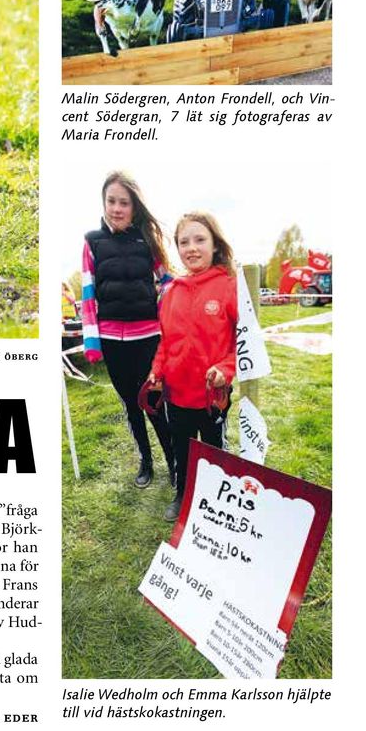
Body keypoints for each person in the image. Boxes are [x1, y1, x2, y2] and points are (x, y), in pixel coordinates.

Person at [81, 172, 175, 489]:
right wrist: (92, 340)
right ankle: (146, 463)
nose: (117, 209)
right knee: (131, 406)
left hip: (148, 339)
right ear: (103, 202)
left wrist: (170, 314)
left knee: (154, 404)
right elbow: (88, 294)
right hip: (111, 341)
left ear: (135, 207)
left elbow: (168, 282)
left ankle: (174, 464)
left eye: (124, 203)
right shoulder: (91, 241)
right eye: (112, 201)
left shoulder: (147, 242)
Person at [148, 213, 237, 521]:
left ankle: (219, 502)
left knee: (215, 453)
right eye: (184, 242)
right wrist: (157, 371)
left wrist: (225, 370)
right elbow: (165, 341)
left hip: (213, 397)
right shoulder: (171, 291)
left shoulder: (229, 286)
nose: (192, 248)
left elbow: (242, 344)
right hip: (176, 396)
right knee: (183, 451)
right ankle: (183, 494)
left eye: (200, 239)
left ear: (215, 244)